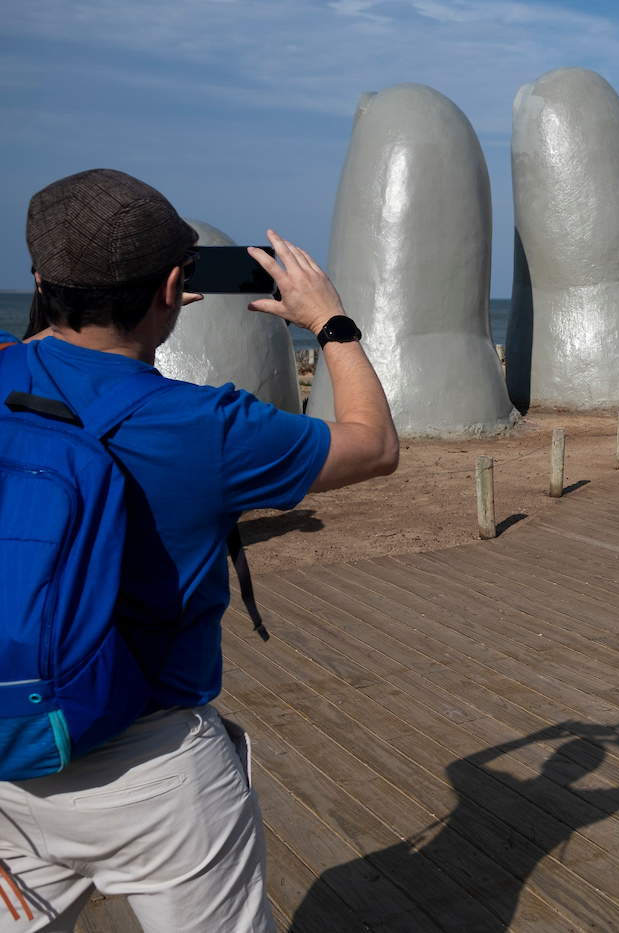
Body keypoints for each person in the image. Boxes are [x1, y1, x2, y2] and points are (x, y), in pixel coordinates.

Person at [0, 169, 398, 932]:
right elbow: (374, 445)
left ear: (43, 280)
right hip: (152, 770)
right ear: (178, 285)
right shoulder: (206, 426)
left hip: (10, 754)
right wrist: (331, 323)